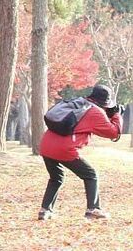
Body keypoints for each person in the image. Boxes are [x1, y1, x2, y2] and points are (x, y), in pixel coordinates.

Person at [38, 84, 122, 221]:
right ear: (105, 102)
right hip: (64, 149)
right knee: (91, 175)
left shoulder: (78, 103)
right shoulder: (95, 112)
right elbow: (113, 133)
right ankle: (93, 209)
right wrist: (116, 115)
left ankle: (45, 210)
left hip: (46, 145)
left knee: (56, 177)